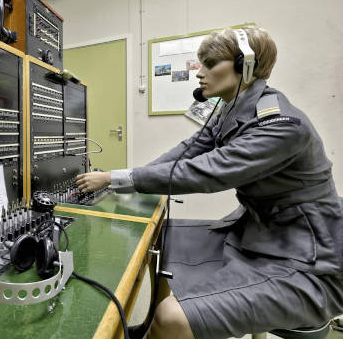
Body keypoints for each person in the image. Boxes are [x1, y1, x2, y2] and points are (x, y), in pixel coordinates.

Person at [75, 26, 343, 339]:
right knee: (164, 233)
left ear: (246, 66)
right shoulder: (228, 110)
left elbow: (208, 171)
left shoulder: (281, 124)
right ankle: (154, 326)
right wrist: (128, 179)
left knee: (172, 317)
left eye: (210, 64)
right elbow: (186, 152)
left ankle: (166, 327)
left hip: (307, 259)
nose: (199, 73)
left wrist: (114, 178)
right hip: (258, 233)